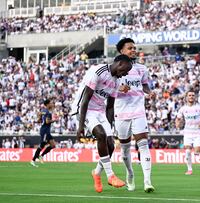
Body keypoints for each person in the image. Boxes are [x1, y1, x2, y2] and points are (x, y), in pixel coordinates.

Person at [70, 54, 133, 193]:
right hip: (83, 109)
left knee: (110, 144)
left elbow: (110, 106)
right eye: (125, 70)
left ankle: (97, 173)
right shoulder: (97, 71)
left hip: (99, 111)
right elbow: (85, 99)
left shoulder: (116, 82)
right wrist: (80, 126)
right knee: (100, 134)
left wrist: (109, 127)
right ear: (120, 64)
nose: (125, 75)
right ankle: (110, 176)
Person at [114, 38, 155, 193]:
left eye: (134, 48)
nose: (134, 50)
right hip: (121, 113)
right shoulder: (113, 69)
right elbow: (107, 89)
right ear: (121, 51)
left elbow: (144, 84)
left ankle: (147, 181)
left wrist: (149, 92)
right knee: (124, 150)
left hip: (138, 111)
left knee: (143, 145)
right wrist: (119, 90)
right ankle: (130, 174)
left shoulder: (142, 68)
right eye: (130, 48)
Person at [175, 90, 200, 175]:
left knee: (196, 153)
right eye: (189, 95)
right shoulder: (183, 109)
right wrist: (177, 125)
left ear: (195, 97)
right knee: (188, 151)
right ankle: (189, 169)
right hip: (187, 132)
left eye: (193, 95)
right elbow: (178, 118)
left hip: (197, 132)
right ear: (186, 97)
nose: (191, 97)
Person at [30, 99, 57, 167]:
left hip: (45, 130)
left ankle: (41, 156)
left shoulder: (43, 111)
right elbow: (47, 122)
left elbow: (39, 119)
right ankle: (33, 160)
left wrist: (39, 118)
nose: (52, 104)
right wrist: (54, 120)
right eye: (51, 103)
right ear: (47, 104)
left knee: (53, 145)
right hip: (45, 130)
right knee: (42, 145)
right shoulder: (48, 112)